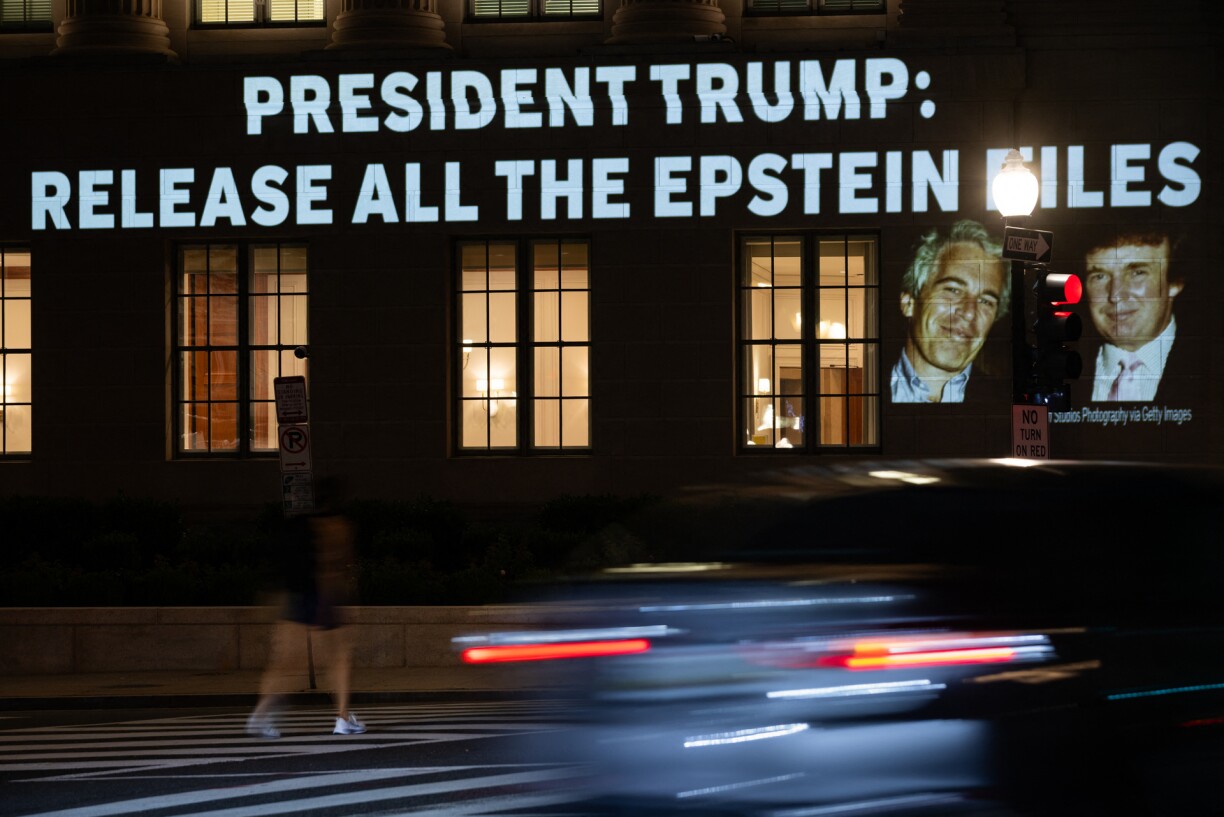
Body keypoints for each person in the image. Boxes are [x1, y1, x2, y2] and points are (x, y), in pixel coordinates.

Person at [247, 477, 365, 739]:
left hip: (295, 596)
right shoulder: (339, 527)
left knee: (285, 663)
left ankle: (261, 712)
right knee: (339, 658)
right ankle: (343, 717)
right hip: (323, 597)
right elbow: (338, 567)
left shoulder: (299, 525)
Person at [891, 220, 1009, 403]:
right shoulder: (865, 388)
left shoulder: (1007, 402)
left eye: (985, 301)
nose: (970, 313)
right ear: (909, 303)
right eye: (953, 290)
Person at [1082, 229, 1186, 402]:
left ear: (1175, 283)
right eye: (1099, 276)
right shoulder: (1057, 370)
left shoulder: (1211, 367)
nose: (1115, 295)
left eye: (1137, 273)